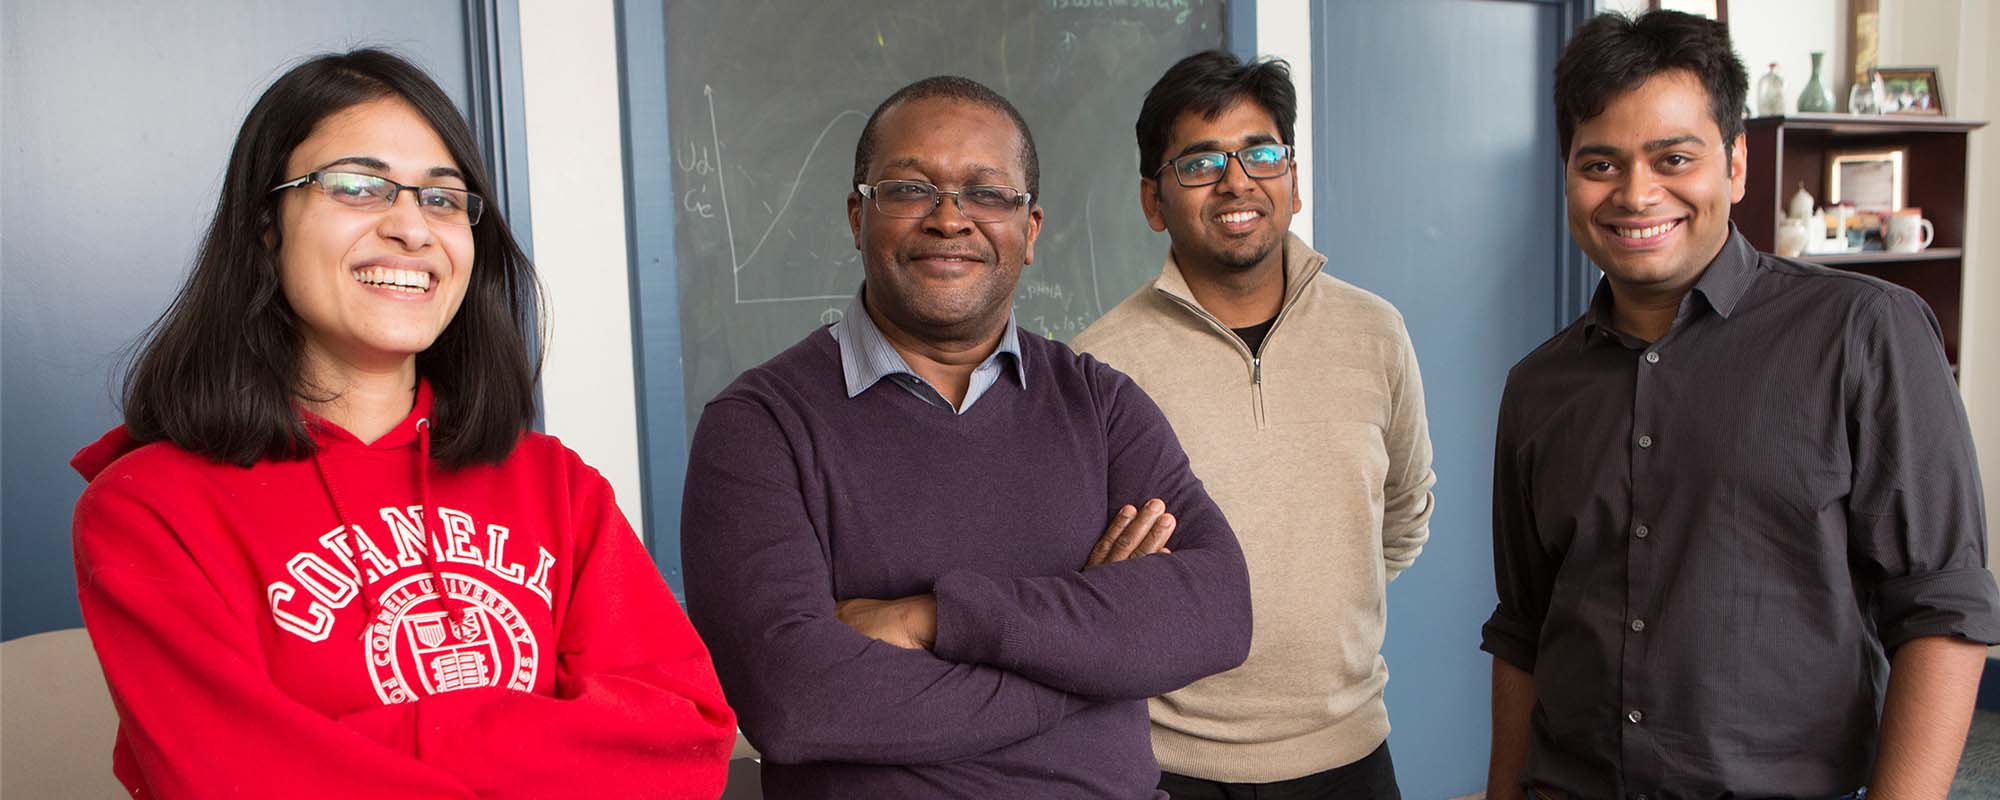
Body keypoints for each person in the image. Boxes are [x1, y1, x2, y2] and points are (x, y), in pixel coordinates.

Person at [69, 49, 735, 798]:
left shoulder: (556, 486)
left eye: (444, 200)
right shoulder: (148, 510)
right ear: (265, 224)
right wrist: (541, 740)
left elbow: (684, 738)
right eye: (358, 186)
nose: (413, 230)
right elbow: (232, 782)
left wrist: (362, 741)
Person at [680, 75, 1253, 798]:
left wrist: (938, 618)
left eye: (988, 194)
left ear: (1031, 230)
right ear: (858, 217)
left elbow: (1219, 612)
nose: (950, 219)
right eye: (909, 189)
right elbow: (796, 702)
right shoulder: (758, 428)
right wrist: (1097, 657)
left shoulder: (1101, 406)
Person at [1481, 12, 2000, 800]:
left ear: (1737, 163)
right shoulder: (1537, 386)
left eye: (1673, 157)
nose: (1635, 193)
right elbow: (1524, 628)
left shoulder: (1864, 332)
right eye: (1600, 163)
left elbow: (1944, 607)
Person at [1073, 50, 1434, 800]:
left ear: (1292, 181)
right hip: (1169, 765)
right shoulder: (1098, 365)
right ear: (1153, 200)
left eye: (1260, 153)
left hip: (1351, 751)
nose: (1237, 180)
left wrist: (1316, 590)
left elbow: (1401, 516)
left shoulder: (1375, 332)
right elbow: (1084, 574)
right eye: (1199, 162)